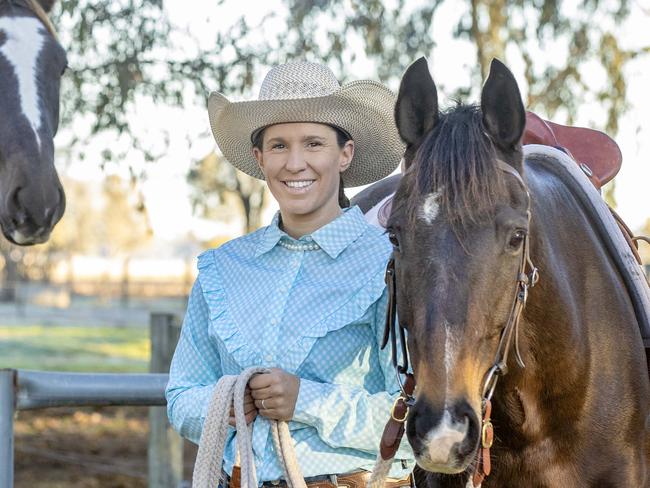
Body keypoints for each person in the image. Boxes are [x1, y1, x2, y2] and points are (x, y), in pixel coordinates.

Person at [165, 61, 415, 487]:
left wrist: (305, 400)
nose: (295, 163)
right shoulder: (223, 269)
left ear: (345, 154)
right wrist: (222, 405)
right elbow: (181, 394)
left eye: (314, 143)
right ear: (259, 159)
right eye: (279, 146)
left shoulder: (390, 267)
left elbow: (416, 420)